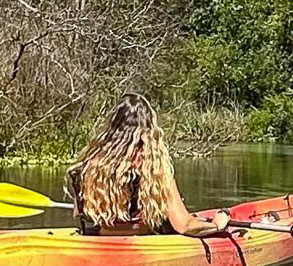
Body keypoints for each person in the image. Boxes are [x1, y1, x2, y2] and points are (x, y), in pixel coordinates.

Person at [66, 93, 229, 237]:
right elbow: (185, 226)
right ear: (149, 129)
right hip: (141, 240)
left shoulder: (90, 166)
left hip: (103, 238)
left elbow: (79, 214)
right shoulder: (153, 168)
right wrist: (216, 224)